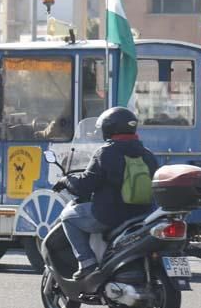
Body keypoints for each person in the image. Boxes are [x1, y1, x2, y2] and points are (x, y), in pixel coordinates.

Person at [53, 107, 157, 279]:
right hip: (143, 216)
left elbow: (84, 186)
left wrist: (66, 180)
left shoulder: (105, 152)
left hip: (110, 216)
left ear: (109, 129)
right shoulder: (147, 155)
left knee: (68, 217)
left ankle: (87, 263)